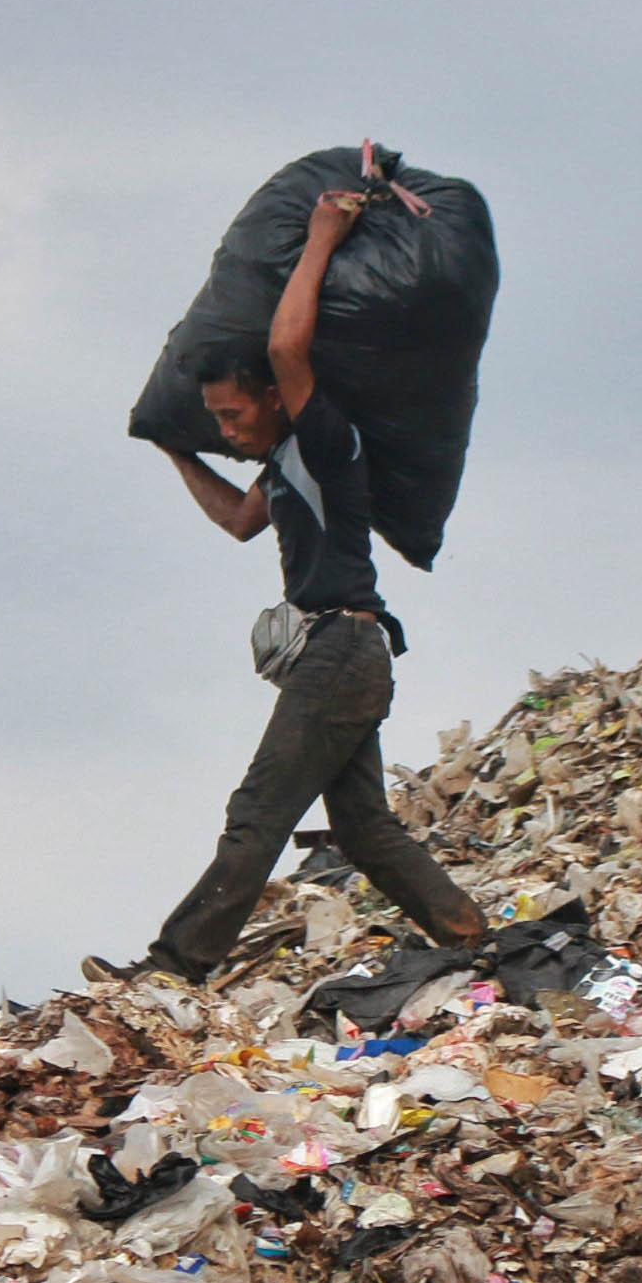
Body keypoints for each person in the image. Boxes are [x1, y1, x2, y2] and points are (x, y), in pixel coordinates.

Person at [88, 187, 487, 984]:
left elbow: (285, 351)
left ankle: (173, 967)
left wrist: (321, 237)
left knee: (258, 815)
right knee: (366, 829)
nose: (229, 431)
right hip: (347, 652)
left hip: (340, 646)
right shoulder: (283, 466)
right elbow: (239, 521)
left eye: (234, 416)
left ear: (275, 397)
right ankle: (471, 938)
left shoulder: (327, 439)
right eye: (219, 422)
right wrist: (179, 451)